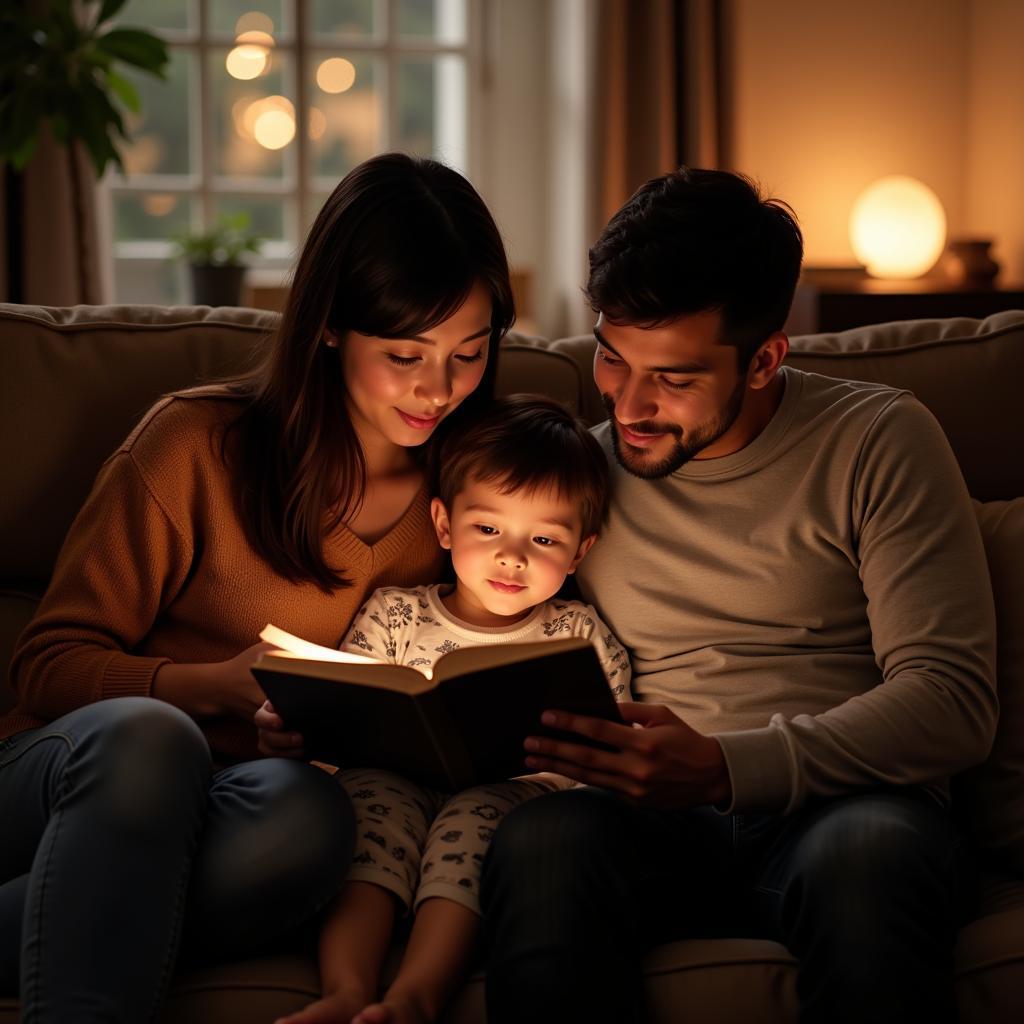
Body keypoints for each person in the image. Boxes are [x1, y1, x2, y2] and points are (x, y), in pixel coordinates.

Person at [0, 152, 515, 1022]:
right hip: (75, 777)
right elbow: (45, 664)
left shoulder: (473, 504)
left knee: (312, 820)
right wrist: (206, 688)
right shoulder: (196, 446)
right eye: (405, 354)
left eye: (469, 355)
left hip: (242, 809)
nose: (440, 389)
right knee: (150, 739)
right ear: (328, 328)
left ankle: (80, 915)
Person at [479, 167, 998, 1024]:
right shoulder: (578, 474)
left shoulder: (878, 438)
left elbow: (952, 702)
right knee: (542, 846)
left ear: (764, 359)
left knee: (873, 860)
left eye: (674, 378)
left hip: (844, 809)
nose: (630, 406)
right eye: (612, 357)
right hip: (647, 820)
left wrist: (726, 767)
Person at [265, 395, 630, 1024]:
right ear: (443, 524)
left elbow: (605, 753)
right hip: (392, 781)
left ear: (579, 552)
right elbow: (347, 706)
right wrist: (297, 727)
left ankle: (416, 996)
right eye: (488, 528)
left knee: (477, 815)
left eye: (544, 539)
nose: (512, 556)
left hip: (512, 798)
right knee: (372, 805)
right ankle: (346, 992)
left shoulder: (582, 637)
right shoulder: (395, 614)